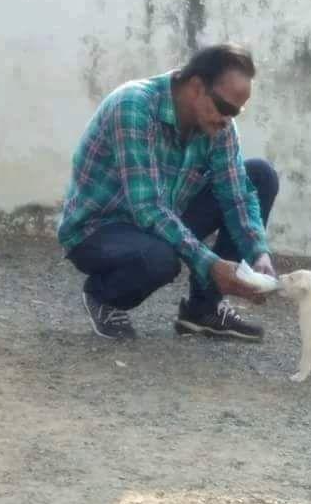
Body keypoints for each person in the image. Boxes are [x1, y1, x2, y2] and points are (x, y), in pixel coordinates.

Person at [57, 44, 279, 341]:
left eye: (236, 111)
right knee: (159, 259)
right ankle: (102, 296)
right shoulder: (133, 106)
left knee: (260, 175)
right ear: (197, 87)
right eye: (225, 108)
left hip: (161, 218)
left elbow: (237, 194)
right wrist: (212, 265)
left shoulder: (219, 126)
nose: (228, 119)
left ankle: (204, 310)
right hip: (99, 229)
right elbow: (147, 208)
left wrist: (258, 253)